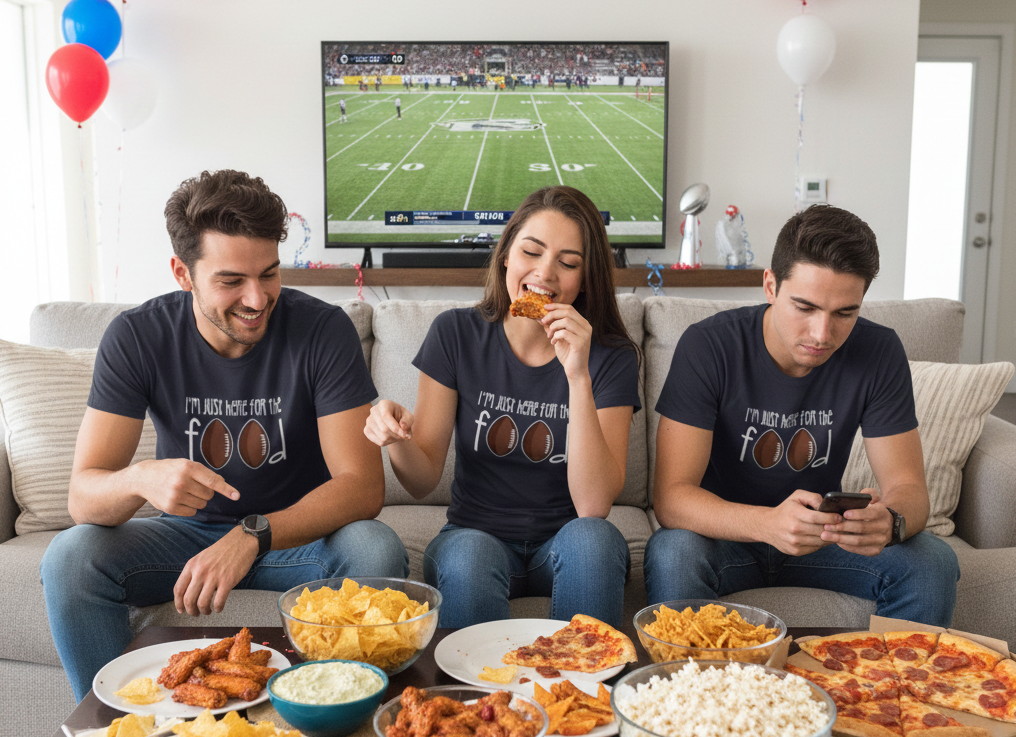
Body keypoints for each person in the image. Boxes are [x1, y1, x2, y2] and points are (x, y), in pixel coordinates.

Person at [40, 169, 408, 701]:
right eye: (231, 281)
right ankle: (115, 724)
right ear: (183, 273)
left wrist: (252, 535)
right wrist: (140, 478)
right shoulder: (137, 336)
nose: (257, 299)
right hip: (184, 539)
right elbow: (83, 496)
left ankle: (336, 715)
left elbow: (362, 487)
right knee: (70, 558)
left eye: (269, 274)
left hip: (297, 540)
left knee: (375, 548)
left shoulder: (322, 329)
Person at [644, 204, 959, 626]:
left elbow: (909, 489)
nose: (822, 334)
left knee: (933, 560)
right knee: (673, 552)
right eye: (805, 307)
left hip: (823, 536)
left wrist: (890, 521)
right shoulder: (709, 345)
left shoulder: (879, 351)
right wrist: (768, 523)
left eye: (845, 313)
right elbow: (671, 499)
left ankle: (887, 670)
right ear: (770, 286)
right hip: (721, 537)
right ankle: (700, 674)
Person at [364, 186, 641, 629]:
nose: (545, 273)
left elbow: (593, 505)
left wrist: (578, 375)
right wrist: (395, 437)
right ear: (506, 256)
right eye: (531, 252)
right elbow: (421, 480)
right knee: (469, 555)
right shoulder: (455, 334)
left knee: (595, 539)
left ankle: (581, 674)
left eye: (568, 263)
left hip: (567, 542)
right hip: (474, 538)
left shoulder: (611, 356)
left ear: (585, 279)